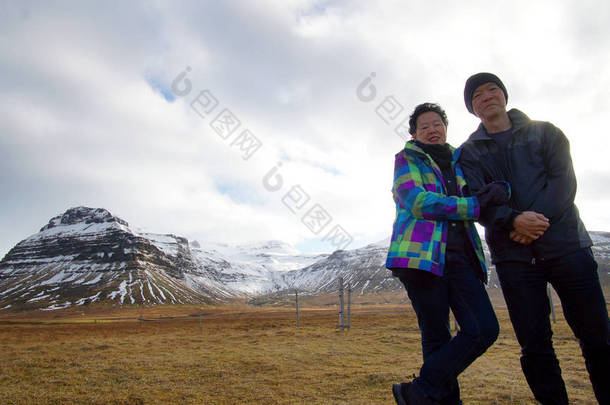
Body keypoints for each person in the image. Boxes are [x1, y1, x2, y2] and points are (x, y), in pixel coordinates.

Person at [459, 72, 610, 404]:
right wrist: (513, 220)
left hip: (568, 247)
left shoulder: (545, 132)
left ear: (504, 95)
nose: (486, 97)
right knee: (535, 345)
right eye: (477, 96)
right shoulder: (468, 153)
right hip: (515, 260)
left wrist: (533, 221)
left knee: (598, 338)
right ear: (472, 108)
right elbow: (476, 201)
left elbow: (563, 184)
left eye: (492, 89)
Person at [386, 102, 509, 405]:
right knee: (436, 337)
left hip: (462, 257)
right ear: (414, 133)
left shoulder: (462, 160)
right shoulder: (406, 159)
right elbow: (419, 201)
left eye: (437, 123)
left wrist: (499, 190)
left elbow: (484, 188)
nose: (432, 129)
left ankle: (418, 392)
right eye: (424, 126)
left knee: (484, 329)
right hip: (420, 258)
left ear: (445, 128)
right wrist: (476, 205)